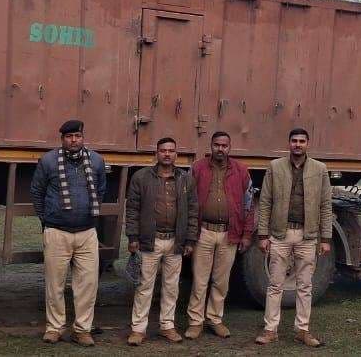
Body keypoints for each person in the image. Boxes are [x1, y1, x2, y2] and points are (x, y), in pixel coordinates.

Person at [30, 119, 107, 346]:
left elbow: (101, 190)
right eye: (69, 137)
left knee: (87, 284)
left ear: (83, 137)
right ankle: (54, 328)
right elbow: (37, 192)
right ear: (62, 139)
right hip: (57, 231)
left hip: (86, 232)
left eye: (78, 136)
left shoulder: (96, 160)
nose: (74, 140)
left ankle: (82, 330)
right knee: (55, 284)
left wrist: (87, 213)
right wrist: (48, 220)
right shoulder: (49, 161)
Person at [254, 128, 332, 348]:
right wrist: (263, 234)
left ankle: (303, 330)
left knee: (305, 285)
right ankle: (270, 330)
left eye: (302, 141)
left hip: (307, 237)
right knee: (275, 284)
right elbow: (266, 201)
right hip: (280, 234)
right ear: (289, 143)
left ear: (308, 144)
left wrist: (325, 238)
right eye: (294, 141)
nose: (298, 144)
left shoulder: (320, 169)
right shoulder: (275, 167)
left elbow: (326, 205)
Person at [124, 137, 198, 346]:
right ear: (156, 153)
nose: (167, 154)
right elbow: (132, 210)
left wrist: (190, 239)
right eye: (163, 150)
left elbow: (193, 211)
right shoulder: (141, 177)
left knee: (171, 287)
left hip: (175, 241)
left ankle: (167, 326)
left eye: (171, 150)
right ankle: (138, 329)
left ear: (176, 154)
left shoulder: (186, 180)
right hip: (150, 241)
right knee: (144, 286)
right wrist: (132, 236)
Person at [184, 131, 253, 339]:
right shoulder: (197, 168)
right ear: (211, 146)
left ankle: (214, 319)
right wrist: (189, 232)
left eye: (224, 145)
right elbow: (187, 201)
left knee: (221, 281)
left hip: (228, 234)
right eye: (216, 145)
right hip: (203, 232)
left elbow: (248, 204)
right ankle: (195, 322)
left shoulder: (241, 171)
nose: (220, 149)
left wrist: (247, 234)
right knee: (200, 280)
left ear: (229, 147)